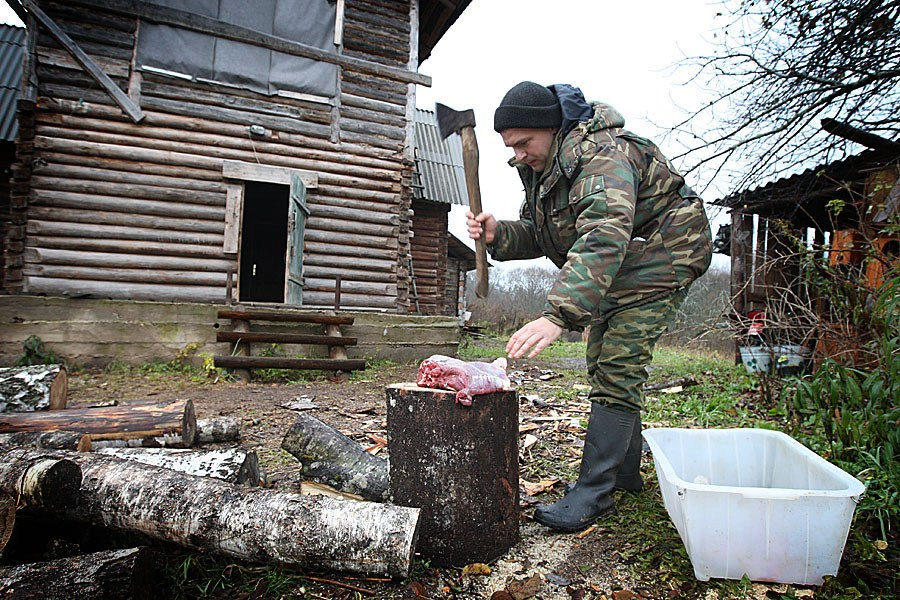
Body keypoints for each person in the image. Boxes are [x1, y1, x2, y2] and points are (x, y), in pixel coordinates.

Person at [466, 81, 712, 532]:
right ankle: (622, 475)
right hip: (626, 263)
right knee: (603, 363)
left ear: (551, 127)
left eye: (524, 143)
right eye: (510, 147)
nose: (518, 154)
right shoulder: (548, 167)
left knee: (618, 363)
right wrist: (500, 234)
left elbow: (602, 235)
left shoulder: (601, 156)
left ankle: (595, 493)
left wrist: (557, 314)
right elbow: (546, 234)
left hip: (665, 255)